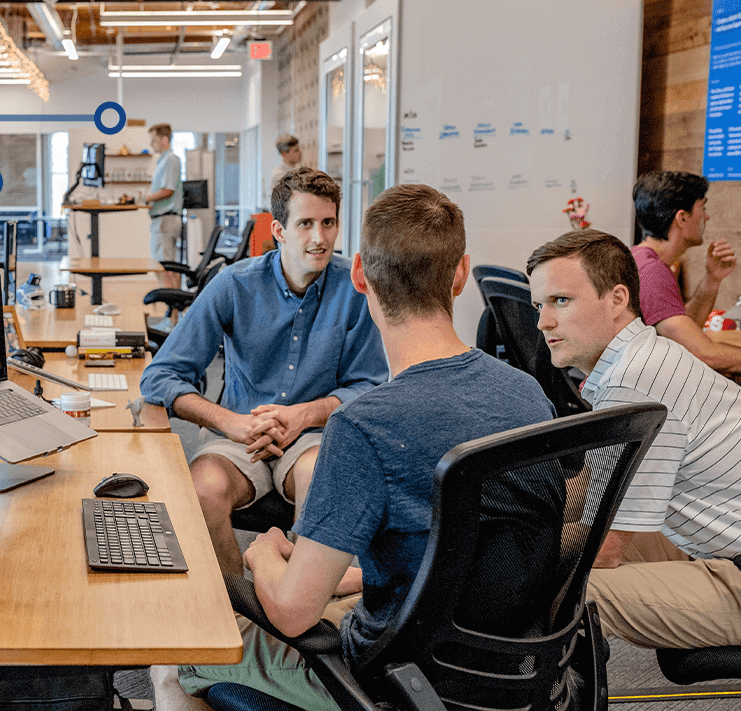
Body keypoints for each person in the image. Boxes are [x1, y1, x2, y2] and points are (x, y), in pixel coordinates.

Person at [151, 184, 557, 711]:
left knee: (170, 660)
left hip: (389, 679)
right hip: (509, 672)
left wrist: (265, 556)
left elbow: (294, 614)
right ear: (461, 273)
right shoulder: (528, 393)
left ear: (360, 275)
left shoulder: (365, 427)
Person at [140, 167, 388, 577]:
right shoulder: (233, 286)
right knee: (202, 491)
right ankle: (237, 606)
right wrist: (229, 422)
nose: (319, 238)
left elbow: (371, 386)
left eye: (329, 223)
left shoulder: (356, 289)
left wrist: (304, 415)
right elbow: (161, 376)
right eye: (305, 224)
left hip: (313, 436)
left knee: (320, 483)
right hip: (240, 434)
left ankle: (296, 605)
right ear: (279, 230)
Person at [526, 229, 741, 649]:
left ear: (617, 299)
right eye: (539, 305)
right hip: (727, 550)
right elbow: (594, 491)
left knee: (572, 590)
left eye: (561, 301)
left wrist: (474, 555)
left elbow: (606, 548)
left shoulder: (635, 380)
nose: (543, 322)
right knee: (541, 548)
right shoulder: (641, 358)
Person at [631, 171, 741, 374]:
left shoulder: (640, 259)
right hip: (641, 400)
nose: (707, 216)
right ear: (682, 218)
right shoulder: (652, 273)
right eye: (702, 207)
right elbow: (704, 354)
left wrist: (711, 280)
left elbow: (682, 337)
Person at [145, 123, 184, 291]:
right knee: (165, 267)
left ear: (164, 139)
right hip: (161, 220)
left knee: (166, 268)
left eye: (154, 140)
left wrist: (145, 198)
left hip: (166, 220)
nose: (151, 145)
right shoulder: (162, 161)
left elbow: (168, 190)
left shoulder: (171, 159)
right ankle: (174, 312)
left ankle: (174, 314)